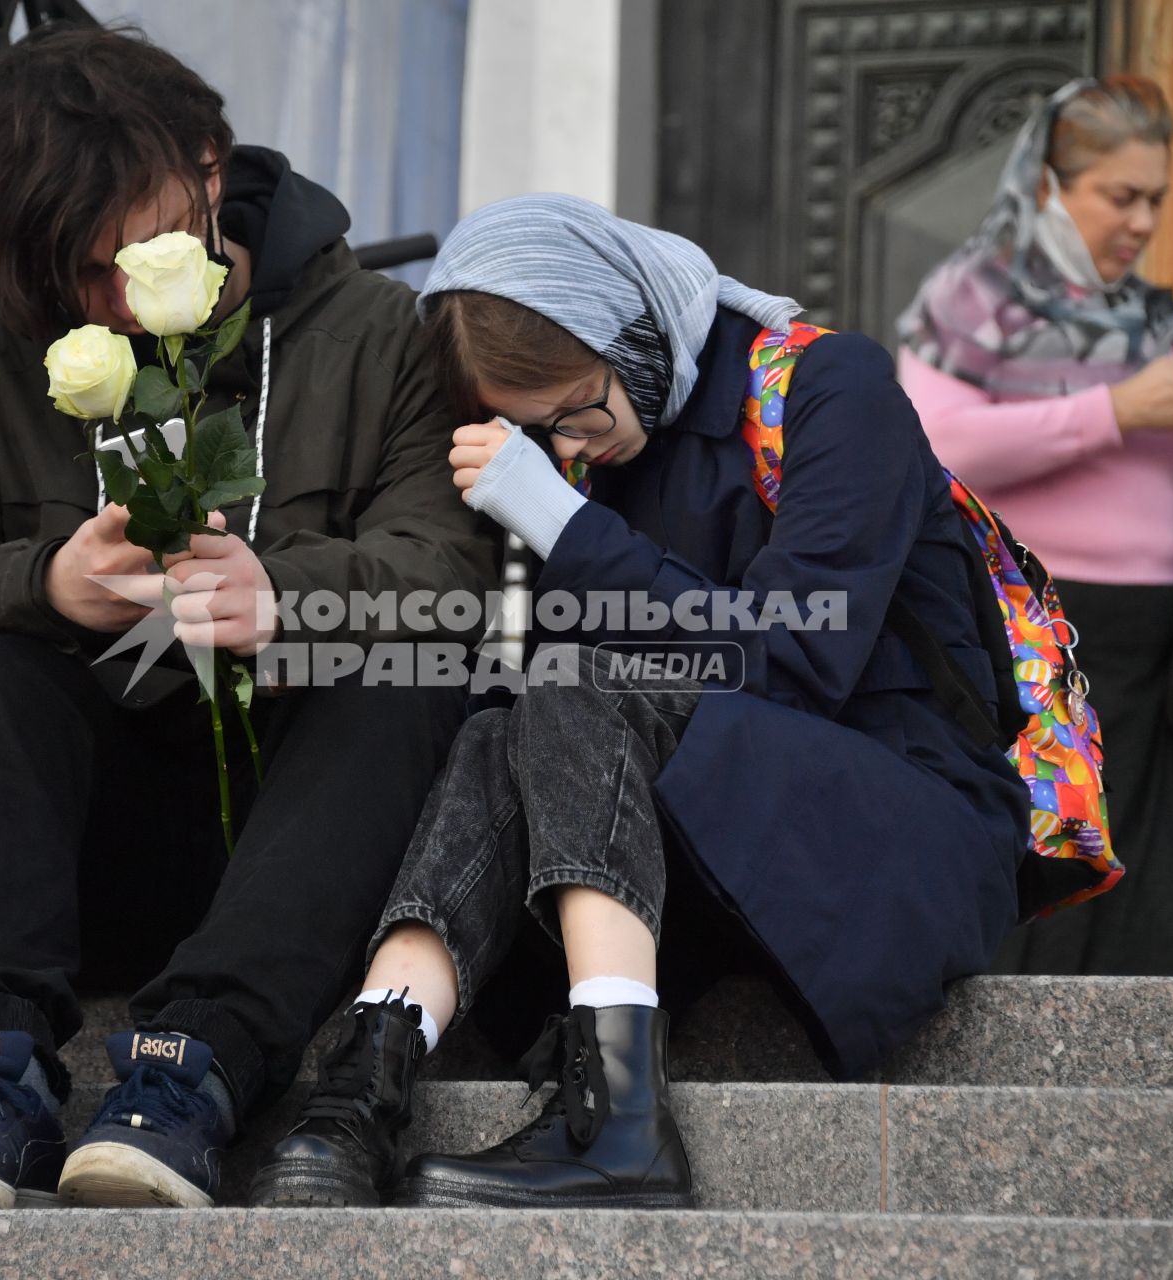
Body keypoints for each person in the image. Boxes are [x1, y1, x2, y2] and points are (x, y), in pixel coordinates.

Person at [248, 194, 1033, 1210]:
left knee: (571, 687)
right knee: (501, 719)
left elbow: (797, 660)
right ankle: (360, 1083)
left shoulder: (834, 387)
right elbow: (565, 724)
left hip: (898, 822)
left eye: (575, 406)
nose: (569, 444)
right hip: (709, 847)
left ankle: (615, 1119)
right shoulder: (607, 455)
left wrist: (566, 526)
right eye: (533, 431)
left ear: (628, 325)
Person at [0, 24, 498, 1211]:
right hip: (84, 853)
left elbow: (451, 580)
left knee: (405, 672)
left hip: (303, 852)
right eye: (71, 276)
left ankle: (190, 1071)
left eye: (133, 251)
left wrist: (280, 595)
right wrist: (41, 582)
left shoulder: (375, 338)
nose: (112, 301)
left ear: (211, 170)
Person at [896, 76, 1173, 977]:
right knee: (1056, 886)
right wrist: (1118, 408)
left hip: (1168, 654)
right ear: (1048, 184)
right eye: (1120, 197)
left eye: (1156, 199)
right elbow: (933, 451)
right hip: (1041, 643)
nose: (1143, 221)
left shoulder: (1158, 322)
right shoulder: (973, 298)